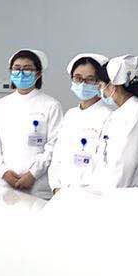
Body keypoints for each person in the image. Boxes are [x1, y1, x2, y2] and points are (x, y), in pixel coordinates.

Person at [0, 48, 63, 198]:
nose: (21, 73)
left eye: (27, 69)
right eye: (16, 69)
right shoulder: (1, 105)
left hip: (37, 186)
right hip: (5, 184)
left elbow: (54, 146)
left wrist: (33, 174)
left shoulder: (51, 105)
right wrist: (4, 173)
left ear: (38, 74)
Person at [47, 53, 111, 195]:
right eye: (78, 78)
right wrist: (56, 187)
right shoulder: (70, 115)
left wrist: (84, 194)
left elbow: (105, 165)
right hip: (61, 193)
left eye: (90, 79)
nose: (83, 84)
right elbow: (57, 157)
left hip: (90, 196)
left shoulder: (108, 117)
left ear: (99, 82)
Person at [94, 54, 138, 188]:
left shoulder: (136, 115)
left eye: (101, 85)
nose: (101, 90)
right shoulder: (118, 114)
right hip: (107, 191)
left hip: (122, 194)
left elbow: (124, 167)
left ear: (113, 86)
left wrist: (106, 196)